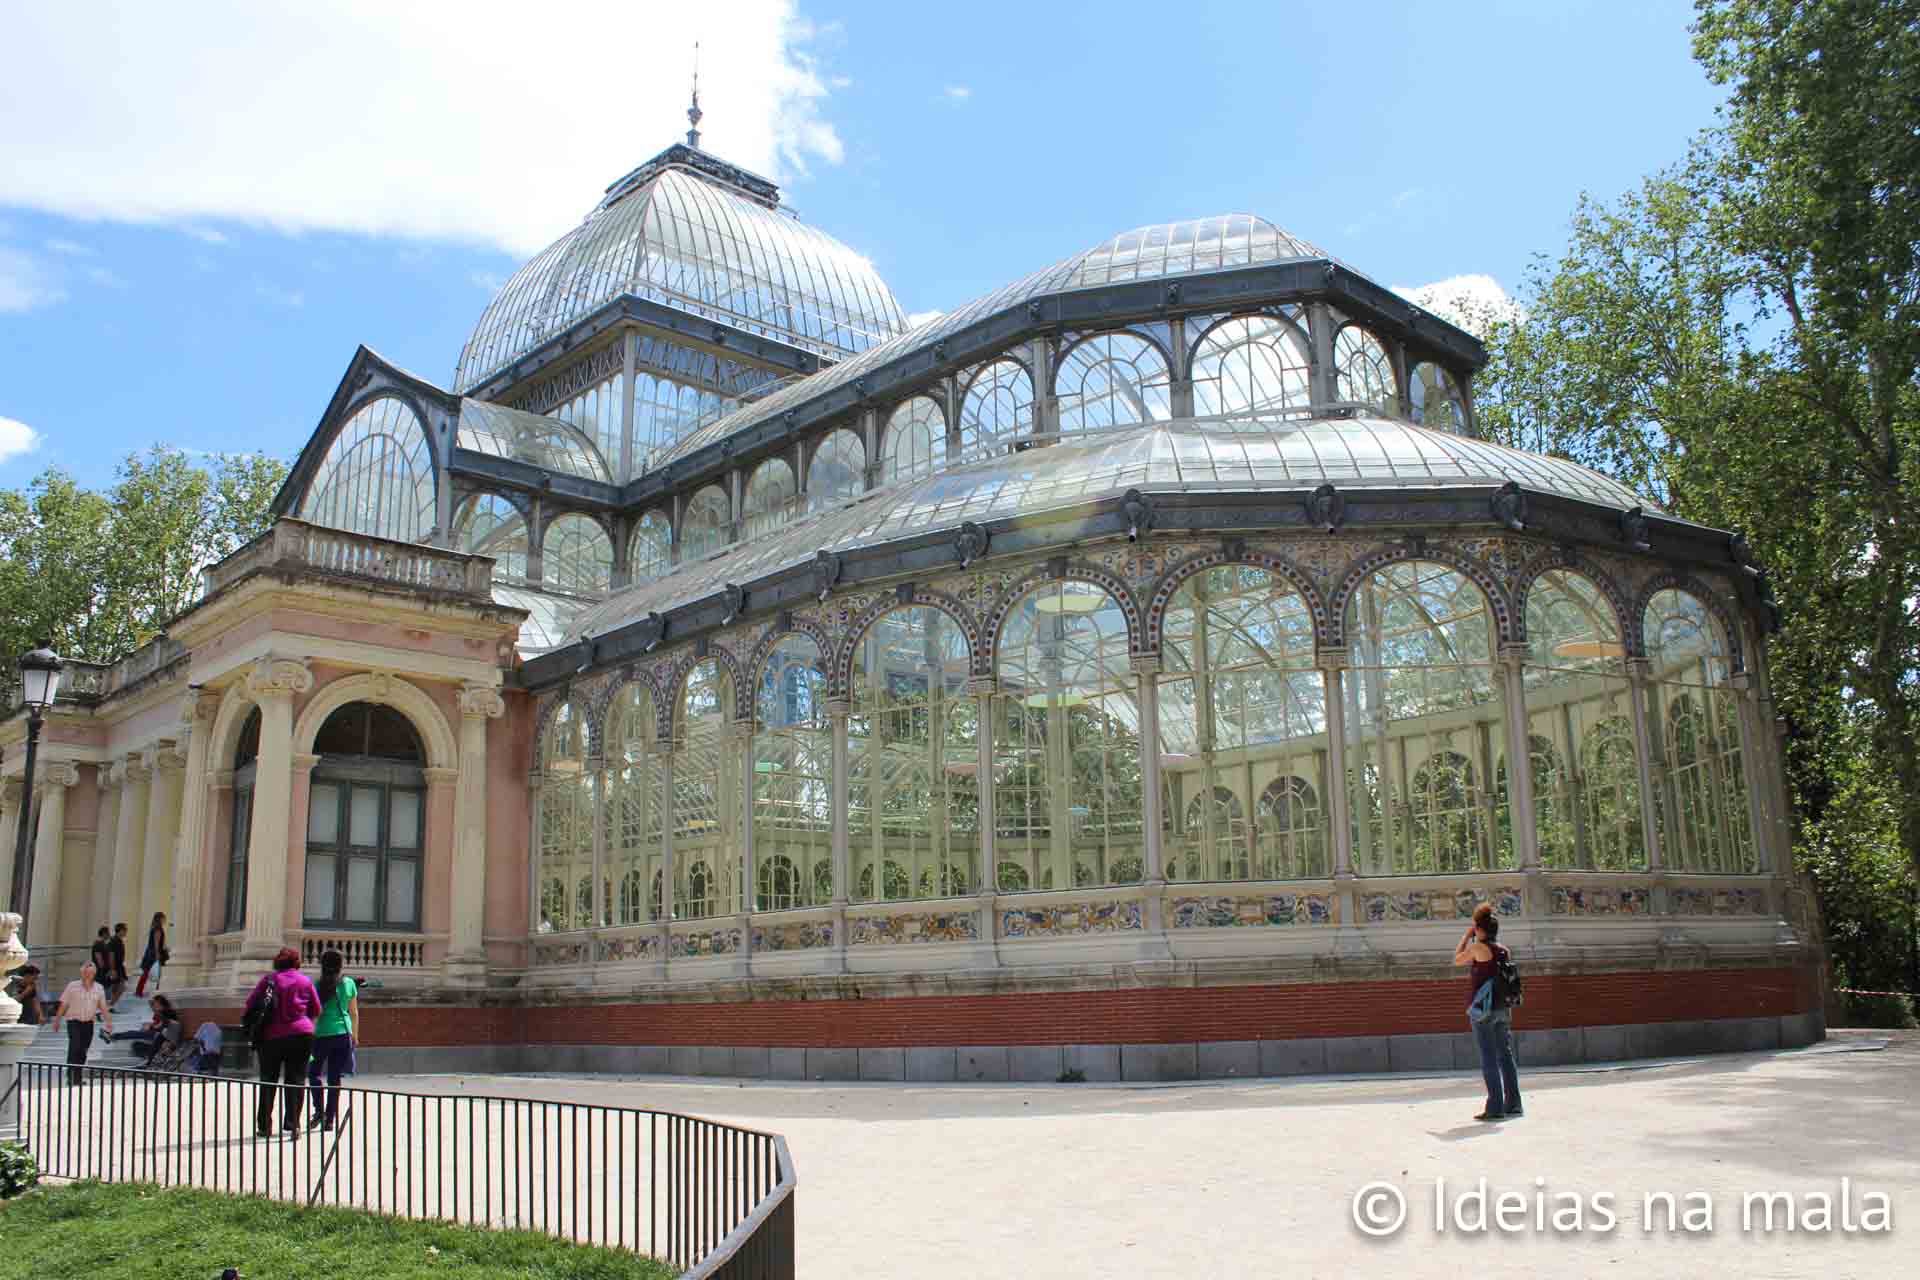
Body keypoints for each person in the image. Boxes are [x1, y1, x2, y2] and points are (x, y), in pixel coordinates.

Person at [1453, 902, 1522, 1122]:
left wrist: (1466, 936)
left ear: (1480, 930)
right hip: (1503, 1008)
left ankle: (1495, 1107)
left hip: (1483, 1011)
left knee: (1489, 1057)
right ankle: (1514, 1104)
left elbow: (1456, 959)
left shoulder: (1477, 948)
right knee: (1506, 1055)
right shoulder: (1504, 950)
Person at [244, 948, 321, 1139]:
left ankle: (264, 1126)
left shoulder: (269, 980)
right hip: (302, 1035)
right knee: (296, 1079)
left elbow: (251, 1003)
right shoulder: (305, 981)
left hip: (271, 1036)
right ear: (296, 962)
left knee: (268, 1079)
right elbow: (316, 1008)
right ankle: (293, 1124)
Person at [305, 949, 359, 1131]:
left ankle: (319, 1111)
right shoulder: (349, 983)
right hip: (343, 1034)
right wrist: (355, 1036)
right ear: (340, 965)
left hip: (321, 1035)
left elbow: (314, 1014)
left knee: (314, 1073)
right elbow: (354, 1013)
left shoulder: (317, 985)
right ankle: (330, 1119)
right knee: (334, 1077)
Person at [50, 961, 114, 1084]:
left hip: (89, 1023)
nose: (87, 975)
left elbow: (103, 1007)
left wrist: (108, 1022)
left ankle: (77, 1078)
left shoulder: (99, 988)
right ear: (81, 973)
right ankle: (71, 1077)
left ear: (94, 974)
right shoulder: (72, 986)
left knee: (83, 1050)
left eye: (90, 973)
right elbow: (64, 1004)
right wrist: (57, 1020)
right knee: (75, 1047)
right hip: (73, 1022)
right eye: (85, 972)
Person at [111, 993, 183, 1063]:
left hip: (161, 1039)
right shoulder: (160, 1013)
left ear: (161, 1005)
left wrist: (151, 1027)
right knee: (135, 1042)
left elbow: (163, 1026)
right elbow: (158, 1025)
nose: (153, 1007)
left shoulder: (167, 1014)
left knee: (136, 1034)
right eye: (153, 1005)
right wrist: (151, 1025)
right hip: (158, 1037)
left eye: (154, 1004)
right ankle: (115, 1036)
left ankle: (115, 1036)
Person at [135, 912, 168, 997]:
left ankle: (139, 991)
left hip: (150, 952)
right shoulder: (158, 929)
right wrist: (157, 954)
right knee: (155, 972)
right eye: (164, 918)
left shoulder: (154, 928)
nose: (165, 920)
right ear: (160, 918)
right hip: (154, 953)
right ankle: (153, 990)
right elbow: (156, 942)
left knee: (147, 973)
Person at [108, 923, 131, 1004]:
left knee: (116, 987)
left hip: (119, 966)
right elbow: (111, 955)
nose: (126, 932)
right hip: (116, 967)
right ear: (121, 930)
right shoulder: (114, 941)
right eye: (125, 930)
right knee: (121, 986)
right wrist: (112, 969)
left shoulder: (118, 941)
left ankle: (112, 1004)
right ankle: (111, 1004)